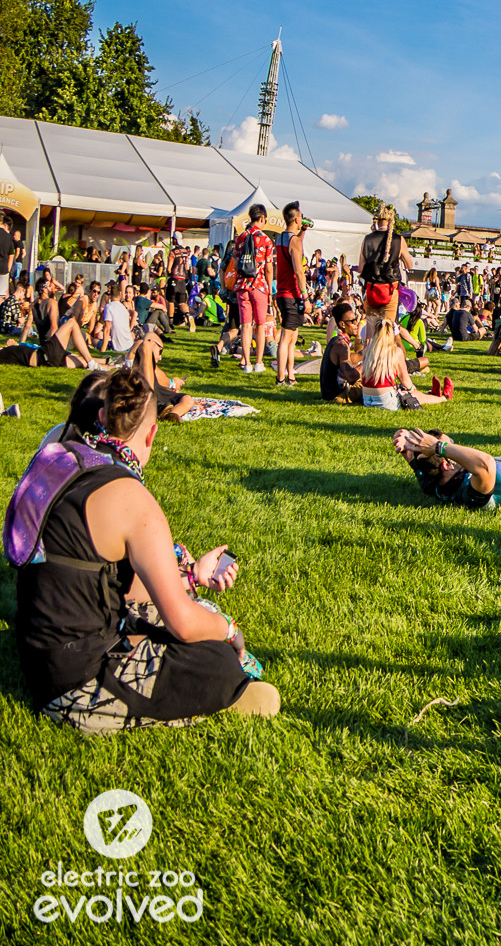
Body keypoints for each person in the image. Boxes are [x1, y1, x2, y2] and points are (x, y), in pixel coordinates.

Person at [10, 366, 279, 731]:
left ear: (102, 416)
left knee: (181, 612)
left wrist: (190, 577)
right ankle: (229, 689)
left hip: (35, 650)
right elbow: (182, 624)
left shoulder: (62, 457)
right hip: (75, 684)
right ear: (152, 433)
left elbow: (128, 585)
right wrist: (228, 629)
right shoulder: (133, 498)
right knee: (214, 655)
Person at [228, 205, 275, 373]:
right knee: (260, 325)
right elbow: (269, 268)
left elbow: (234, 262)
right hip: (259, 284)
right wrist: (270, 289)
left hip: (242, 285)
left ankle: (246, 363)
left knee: (245, 325)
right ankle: (258, 363)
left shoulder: (241, 237)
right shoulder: (266, 240)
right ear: (262, 218)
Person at [273, 202, 308, 385]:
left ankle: (290, 375)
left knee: (293, 337)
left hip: (282, 292)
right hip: (291, 293)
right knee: (286, 338)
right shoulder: (293, 241)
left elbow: (294, 245)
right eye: (301, 216)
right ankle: (280, 378)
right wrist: (305, 295)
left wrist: (303, 232)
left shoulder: (280, 238)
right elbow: (298, 270)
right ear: (296, 219)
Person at [360, 204, 409, 321]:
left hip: (372, 287)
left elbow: (361, 267)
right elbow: (409, 265)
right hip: (390, 288)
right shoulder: (398, 239)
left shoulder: (367, 239)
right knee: (388, 326)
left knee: (371, 328)